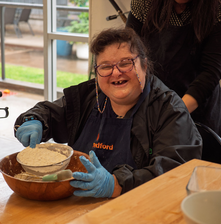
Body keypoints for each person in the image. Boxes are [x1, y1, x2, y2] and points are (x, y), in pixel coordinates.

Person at [14, 27, 202, 198]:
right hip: (77, 205)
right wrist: (34, 120)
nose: (116, 72)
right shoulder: (88, 96)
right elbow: (48, 112)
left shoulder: (169, 110)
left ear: (144, 65)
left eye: (126, 63)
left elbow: (174, 174)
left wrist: (116, 184)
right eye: (105, 67)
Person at [126, 0, 221, 142]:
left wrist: (175, 114)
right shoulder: (144, 3)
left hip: (198, 107)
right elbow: (129, 53)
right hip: (152, 103)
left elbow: (211, 71)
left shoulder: (216, 8)